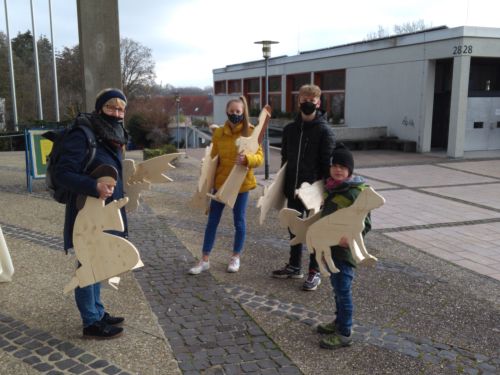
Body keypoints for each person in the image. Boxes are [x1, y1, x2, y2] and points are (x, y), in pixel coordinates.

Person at [54, 88, 129, 339]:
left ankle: (98, 311)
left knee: (99, 260)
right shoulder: (83, 134)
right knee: (87, 263)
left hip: (104, 212)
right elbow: (63, 173)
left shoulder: (112, 135)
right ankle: (91, 322)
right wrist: (93, 186)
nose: (116, 113)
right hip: (86, 213)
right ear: (100, 109)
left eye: (121, 109)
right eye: (111, 108)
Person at [189, 96, 263, 275]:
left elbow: (259, 158)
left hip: (241, 185)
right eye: (232, 111)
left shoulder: (251, 132)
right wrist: (206, 174)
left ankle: (235, 257)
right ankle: (205, 259)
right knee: (212, 221)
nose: (235, 114)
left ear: (243, 112)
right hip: (221, 184)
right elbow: (213, 159)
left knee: (239, 221)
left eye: (238, 111)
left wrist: (247, 159)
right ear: (227, 112)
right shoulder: (219, 133)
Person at [272, 84, 335, 291]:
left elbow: (327, 163)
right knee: (294, 228)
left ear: (318, 102)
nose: (308, 102)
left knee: (314, 231)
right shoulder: (290, 129)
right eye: (304, 99)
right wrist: (281, 186)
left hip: (315, 191)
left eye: (312, 99)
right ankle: (294, 266)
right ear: (298, 101)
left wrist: (326, 190)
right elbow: (284, 160)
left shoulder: (324, 131)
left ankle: (314, 271)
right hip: (293, 188)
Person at [316, 144, 371, 349]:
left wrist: (351, 237)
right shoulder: (332, 187)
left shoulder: (355, 193)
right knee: (336, 288)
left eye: (343, 166)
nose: (338, 169)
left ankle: (345, 332)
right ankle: (338, 321)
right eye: (335, 165)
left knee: (343, 290)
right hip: (330, 249)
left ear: (350, 170)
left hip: (345, 251)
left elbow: (366, 223)